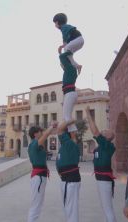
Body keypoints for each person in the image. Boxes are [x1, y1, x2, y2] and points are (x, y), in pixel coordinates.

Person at [53, 13, 84, 141]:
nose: (55, 25)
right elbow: (63, 61)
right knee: (66, 116)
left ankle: (70, 132)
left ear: (58, 22)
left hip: (70, 94)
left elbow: (63, 58)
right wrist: (62, 49)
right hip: (69, 94)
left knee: (67, 118)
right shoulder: (69, 70)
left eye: (55, 22)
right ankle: (73, 139)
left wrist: (62, 47)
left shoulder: (64, 27)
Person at [85, 106, 117, 222]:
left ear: (108, 137)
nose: (104, 130)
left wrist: (88, 113)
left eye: (107, 130)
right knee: (105, 208)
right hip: (100, 179)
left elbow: (95, 131)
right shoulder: (101, 146)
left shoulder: (107, 145)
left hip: (104, 180)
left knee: (108, 209)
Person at [27, 122, 57, 222]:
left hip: (40, 176)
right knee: (35, 205)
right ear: (35, 134)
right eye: (40, 132)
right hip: (38, 177)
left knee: (38, 204)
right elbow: (45, 135)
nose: (42, 133)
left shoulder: (36, 145)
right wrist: (52, 126)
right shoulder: (34, 144)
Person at [56, 120, 81, 222]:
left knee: (70, 209)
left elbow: (59, 129)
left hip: (70, 181)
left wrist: (70, 120)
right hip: (67, 180)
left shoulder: (69, 144)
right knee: (69, 207)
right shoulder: (68, 145)